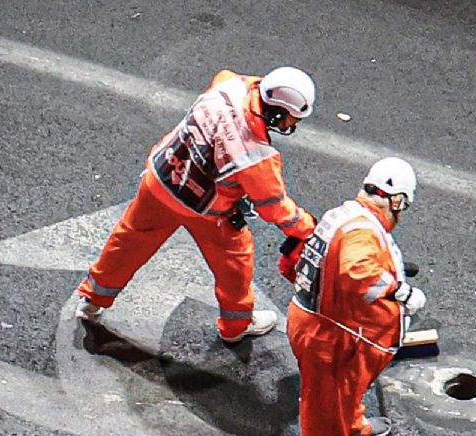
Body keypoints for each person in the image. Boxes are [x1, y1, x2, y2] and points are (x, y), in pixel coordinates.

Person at [74, 66, 318, 344]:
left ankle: (92, 300)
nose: (290, 126)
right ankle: (236, 326)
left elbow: (233, 80)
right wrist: (306, 227)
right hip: (205, 210)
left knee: (128, 242)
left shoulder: (230, 85)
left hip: (161, 181)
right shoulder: (256, 156)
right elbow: (273, 207)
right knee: (235, 264)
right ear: (276, 113)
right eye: (290, 120)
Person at [282, 157, 427, 436]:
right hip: (330, 339)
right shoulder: (362, 231)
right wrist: (399, 290)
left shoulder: (347, 214)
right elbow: (355, 273)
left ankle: (353, 428)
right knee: (324, 417)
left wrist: (392, 268)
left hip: (328, 329)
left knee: (343, 397)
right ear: (397, 200)